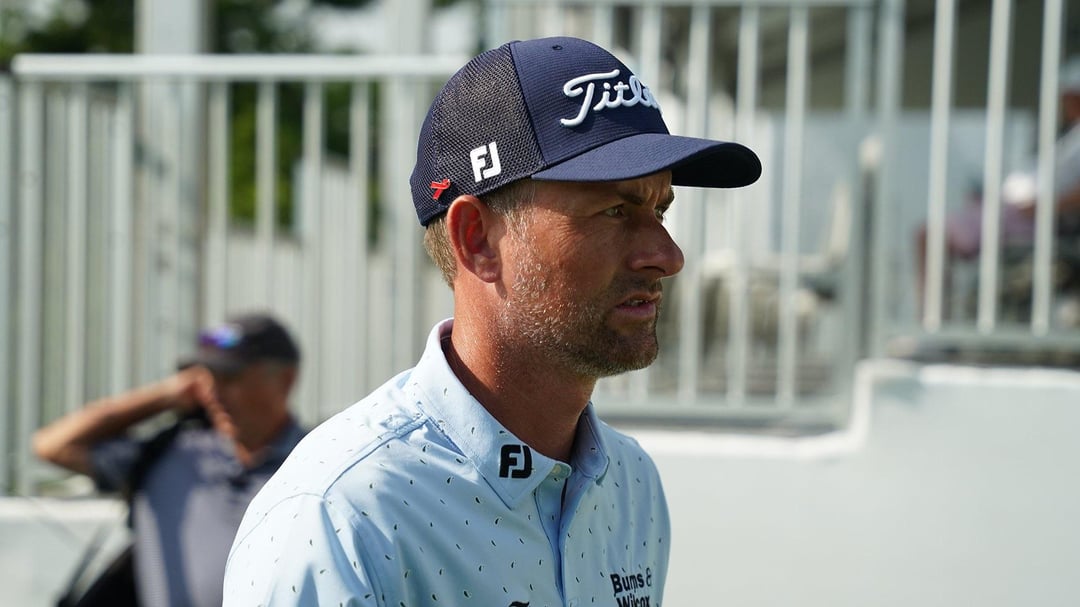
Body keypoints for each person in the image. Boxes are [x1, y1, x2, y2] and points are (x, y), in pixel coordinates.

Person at [223, 36, 760, 606]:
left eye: (659, 210)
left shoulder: (631, 484)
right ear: (477, 239)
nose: (668, 256)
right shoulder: (340, 515)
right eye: (614, 211)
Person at [34, 312, 306, 607]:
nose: (213, 392)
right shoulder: (169, 453)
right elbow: (52, 445)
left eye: (230, 378)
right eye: (205, 377)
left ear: (285, 380)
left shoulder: (315, 465)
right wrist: (165, 395)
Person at [914, 56, 1080, 317]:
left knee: (930, 236)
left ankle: (933, 319)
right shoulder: (1071, 135)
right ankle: (935, 318)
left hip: (1029, 219)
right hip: (1017, 212)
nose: (1064, 103)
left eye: (1067, 96)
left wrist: (1044, 207)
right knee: (929, 236)